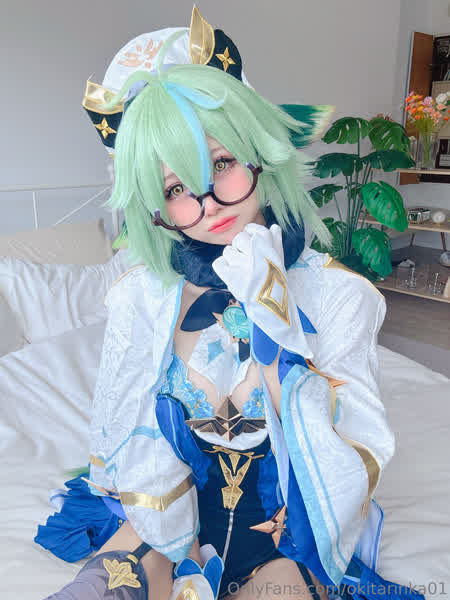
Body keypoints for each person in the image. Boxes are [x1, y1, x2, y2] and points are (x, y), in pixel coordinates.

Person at [36, 7, 425, 600]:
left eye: (221, 164)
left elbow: (348, 461)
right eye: (175, 189)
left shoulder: (341, 295)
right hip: (166, 521)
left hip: (292, 535)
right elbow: (126, 444)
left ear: (260, 153)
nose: (209, 203)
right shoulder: (139, 298)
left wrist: (274, 323)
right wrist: (176, 548)